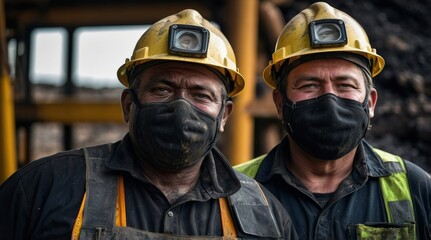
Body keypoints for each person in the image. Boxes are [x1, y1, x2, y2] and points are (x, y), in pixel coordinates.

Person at [0, 9, 298, 240]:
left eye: (200, 94)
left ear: (224, 116)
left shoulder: (266, 215)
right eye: (162, 90)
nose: (181, 106)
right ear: (128, 105)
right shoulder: (44, 189)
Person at [235, 2, 431, 239]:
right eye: (309, 85)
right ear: (279, 103)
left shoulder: (415, 188)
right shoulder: (235, 190)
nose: (329, 98)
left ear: (370, 102)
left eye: (345, 85)